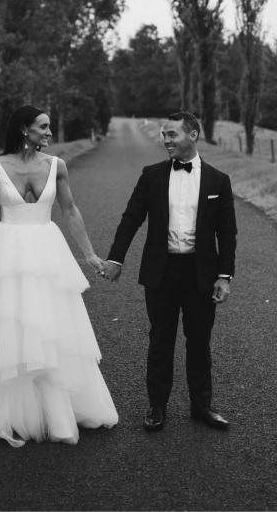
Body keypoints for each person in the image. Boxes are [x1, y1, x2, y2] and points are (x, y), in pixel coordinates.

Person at [0, 105, 118, 446]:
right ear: (24, 129)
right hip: (8, 251)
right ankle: (3, 411)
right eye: (43, 127)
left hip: (47, 252)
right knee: (5, 328)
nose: (49, 133)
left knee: (50, 329)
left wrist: (89, 254)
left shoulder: (57, 166)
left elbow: (70, 209)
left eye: (49, 127)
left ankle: (59, 414)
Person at [103, 110, 236, 431]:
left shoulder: (219, 180)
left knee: (199, 341)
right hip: (161, 272)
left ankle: (202, 406)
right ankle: (157, 406)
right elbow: (131, 217)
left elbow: (227, 232)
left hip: (200, 273)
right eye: (164, 134)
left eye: (172, 134)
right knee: (160, 340)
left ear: (193, 135)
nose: (166, 140)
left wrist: (224, 276)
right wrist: (115, 259)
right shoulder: (152, 175)